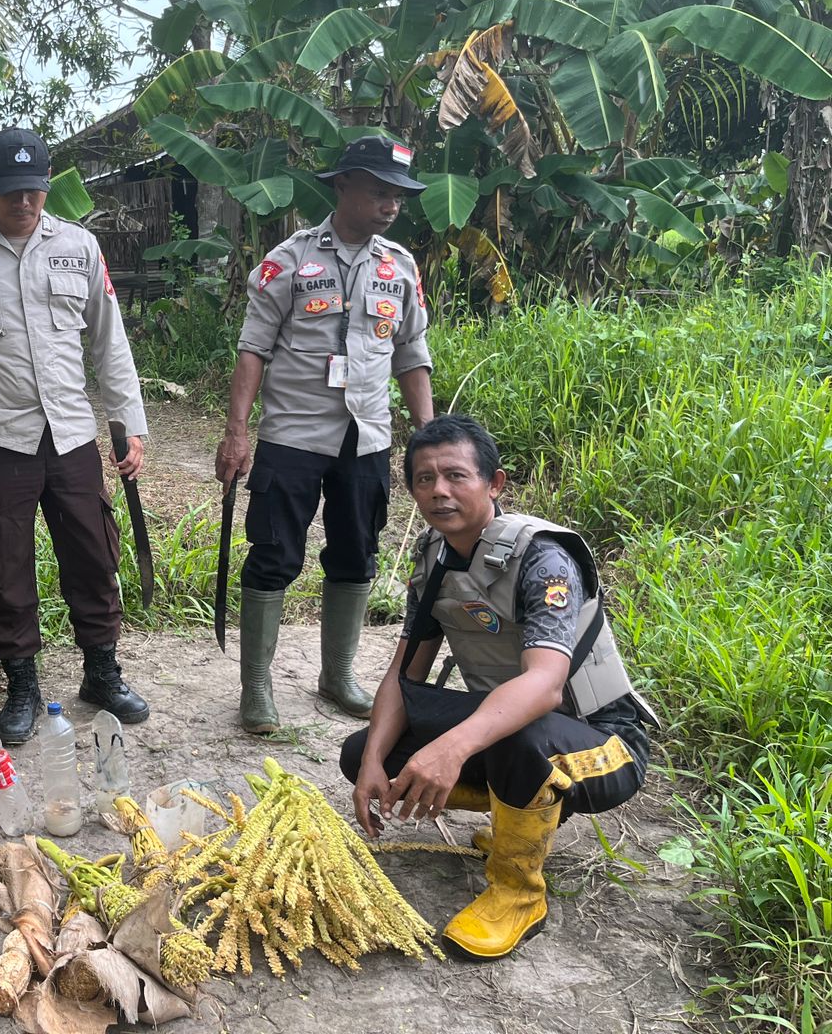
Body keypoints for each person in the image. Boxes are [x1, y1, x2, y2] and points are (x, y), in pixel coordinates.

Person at [340, 414, 657, 960]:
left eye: (455, 476)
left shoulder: (543, 559)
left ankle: (518, 892)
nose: (438, 490)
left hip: (604, 743)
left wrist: (451, 748)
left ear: (494, 484)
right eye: (423, 478)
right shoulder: (435, 559)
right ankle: (517, 815)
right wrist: (373, 758)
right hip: (518, 730)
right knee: (367, 750)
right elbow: (403, 675)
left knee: (521, 734)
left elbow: (543, 687)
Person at [0, 127, 150, 746]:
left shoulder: (79, 246)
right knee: (6, 564)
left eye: (35, 192)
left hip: (70, 431)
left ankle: (101, 673)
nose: (25, 204)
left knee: (93, 552)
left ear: (47, 188)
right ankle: (22, 685)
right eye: (11, 192)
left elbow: (108, 342)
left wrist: (129, 425)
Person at [216, 135, 435, 730]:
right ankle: (256, 687)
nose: (391, 204)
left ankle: (337, 673)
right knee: (273, 555)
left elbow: (411, 353)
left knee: (357, 553)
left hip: (365, 438)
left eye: (399, 195)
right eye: (379, 191)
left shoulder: (400, 266)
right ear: (342, 186)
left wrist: (430, 436)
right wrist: (237, 431)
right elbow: (253, 349)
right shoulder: (288, 260)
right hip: (293, 435)